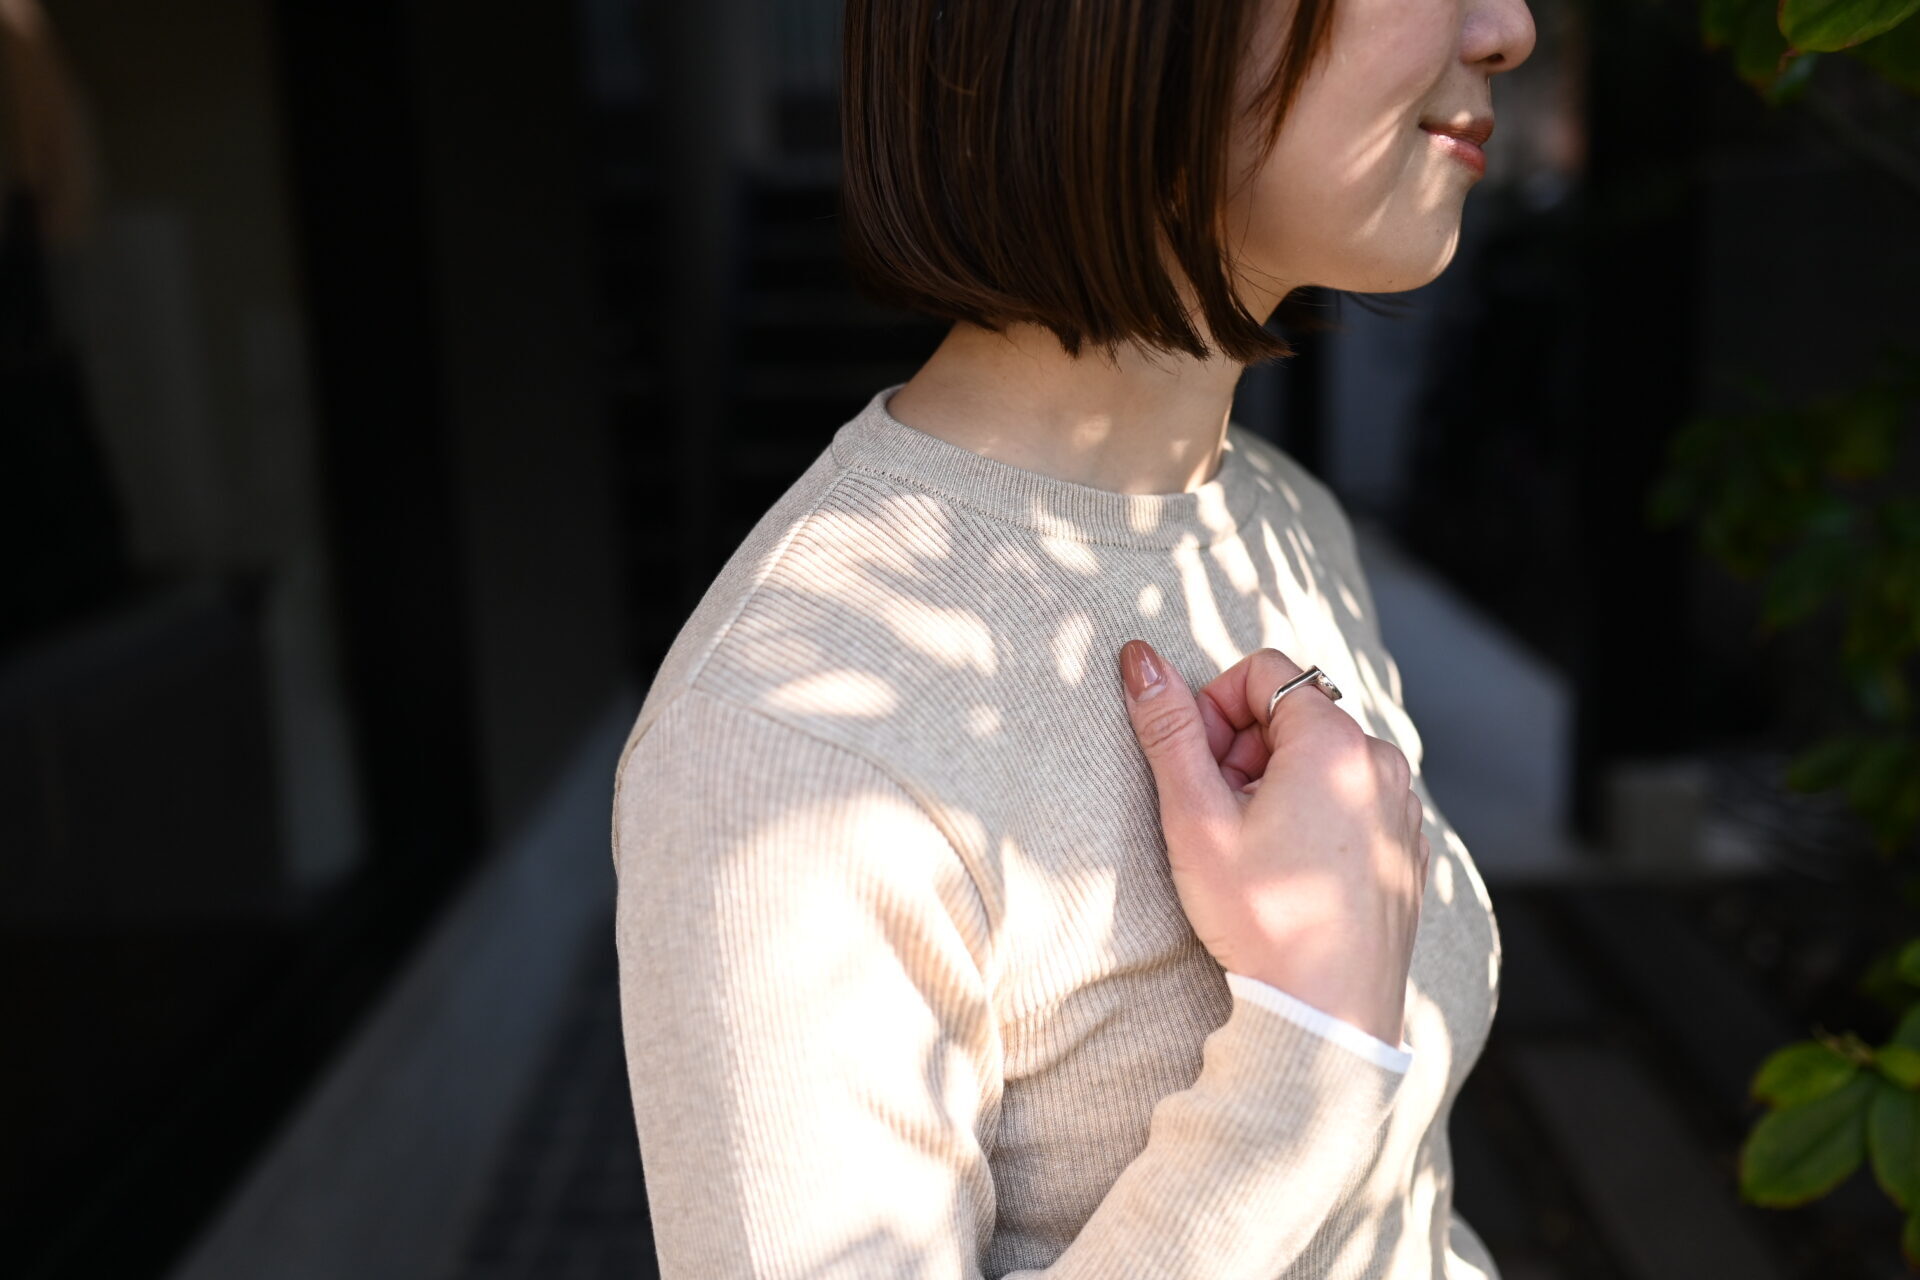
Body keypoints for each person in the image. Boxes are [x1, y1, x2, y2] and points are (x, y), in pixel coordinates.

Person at [612, 0, 1535, 1274]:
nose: (1509, 28)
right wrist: (1307, 1045)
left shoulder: (1279, 523)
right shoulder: (786, 744)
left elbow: (1405, 1213)